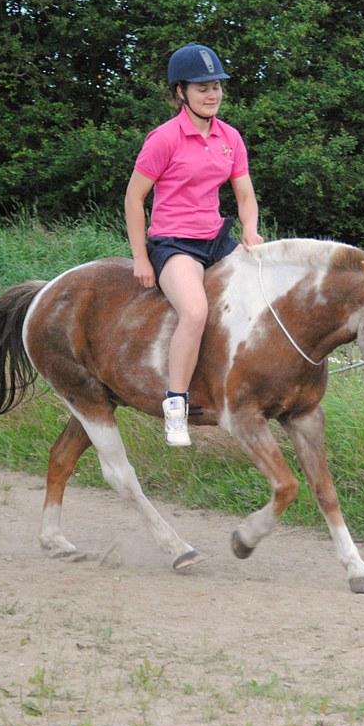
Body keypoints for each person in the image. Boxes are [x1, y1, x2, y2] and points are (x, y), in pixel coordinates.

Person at [124, 42, 264, 447]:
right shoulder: (164, 139)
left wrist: (250, 230)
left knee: (262, 292)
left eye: (217, 85)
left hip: (216, 240)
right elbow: (134, 199)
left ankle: (246, 388)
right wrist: (140, 257)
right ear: (180, 92)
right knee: (196, 310)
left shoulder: (230, 137)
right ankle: (176, 406)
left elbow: (245, 195)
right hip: (174, 243)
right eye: (202, 87)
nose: (213, 93)